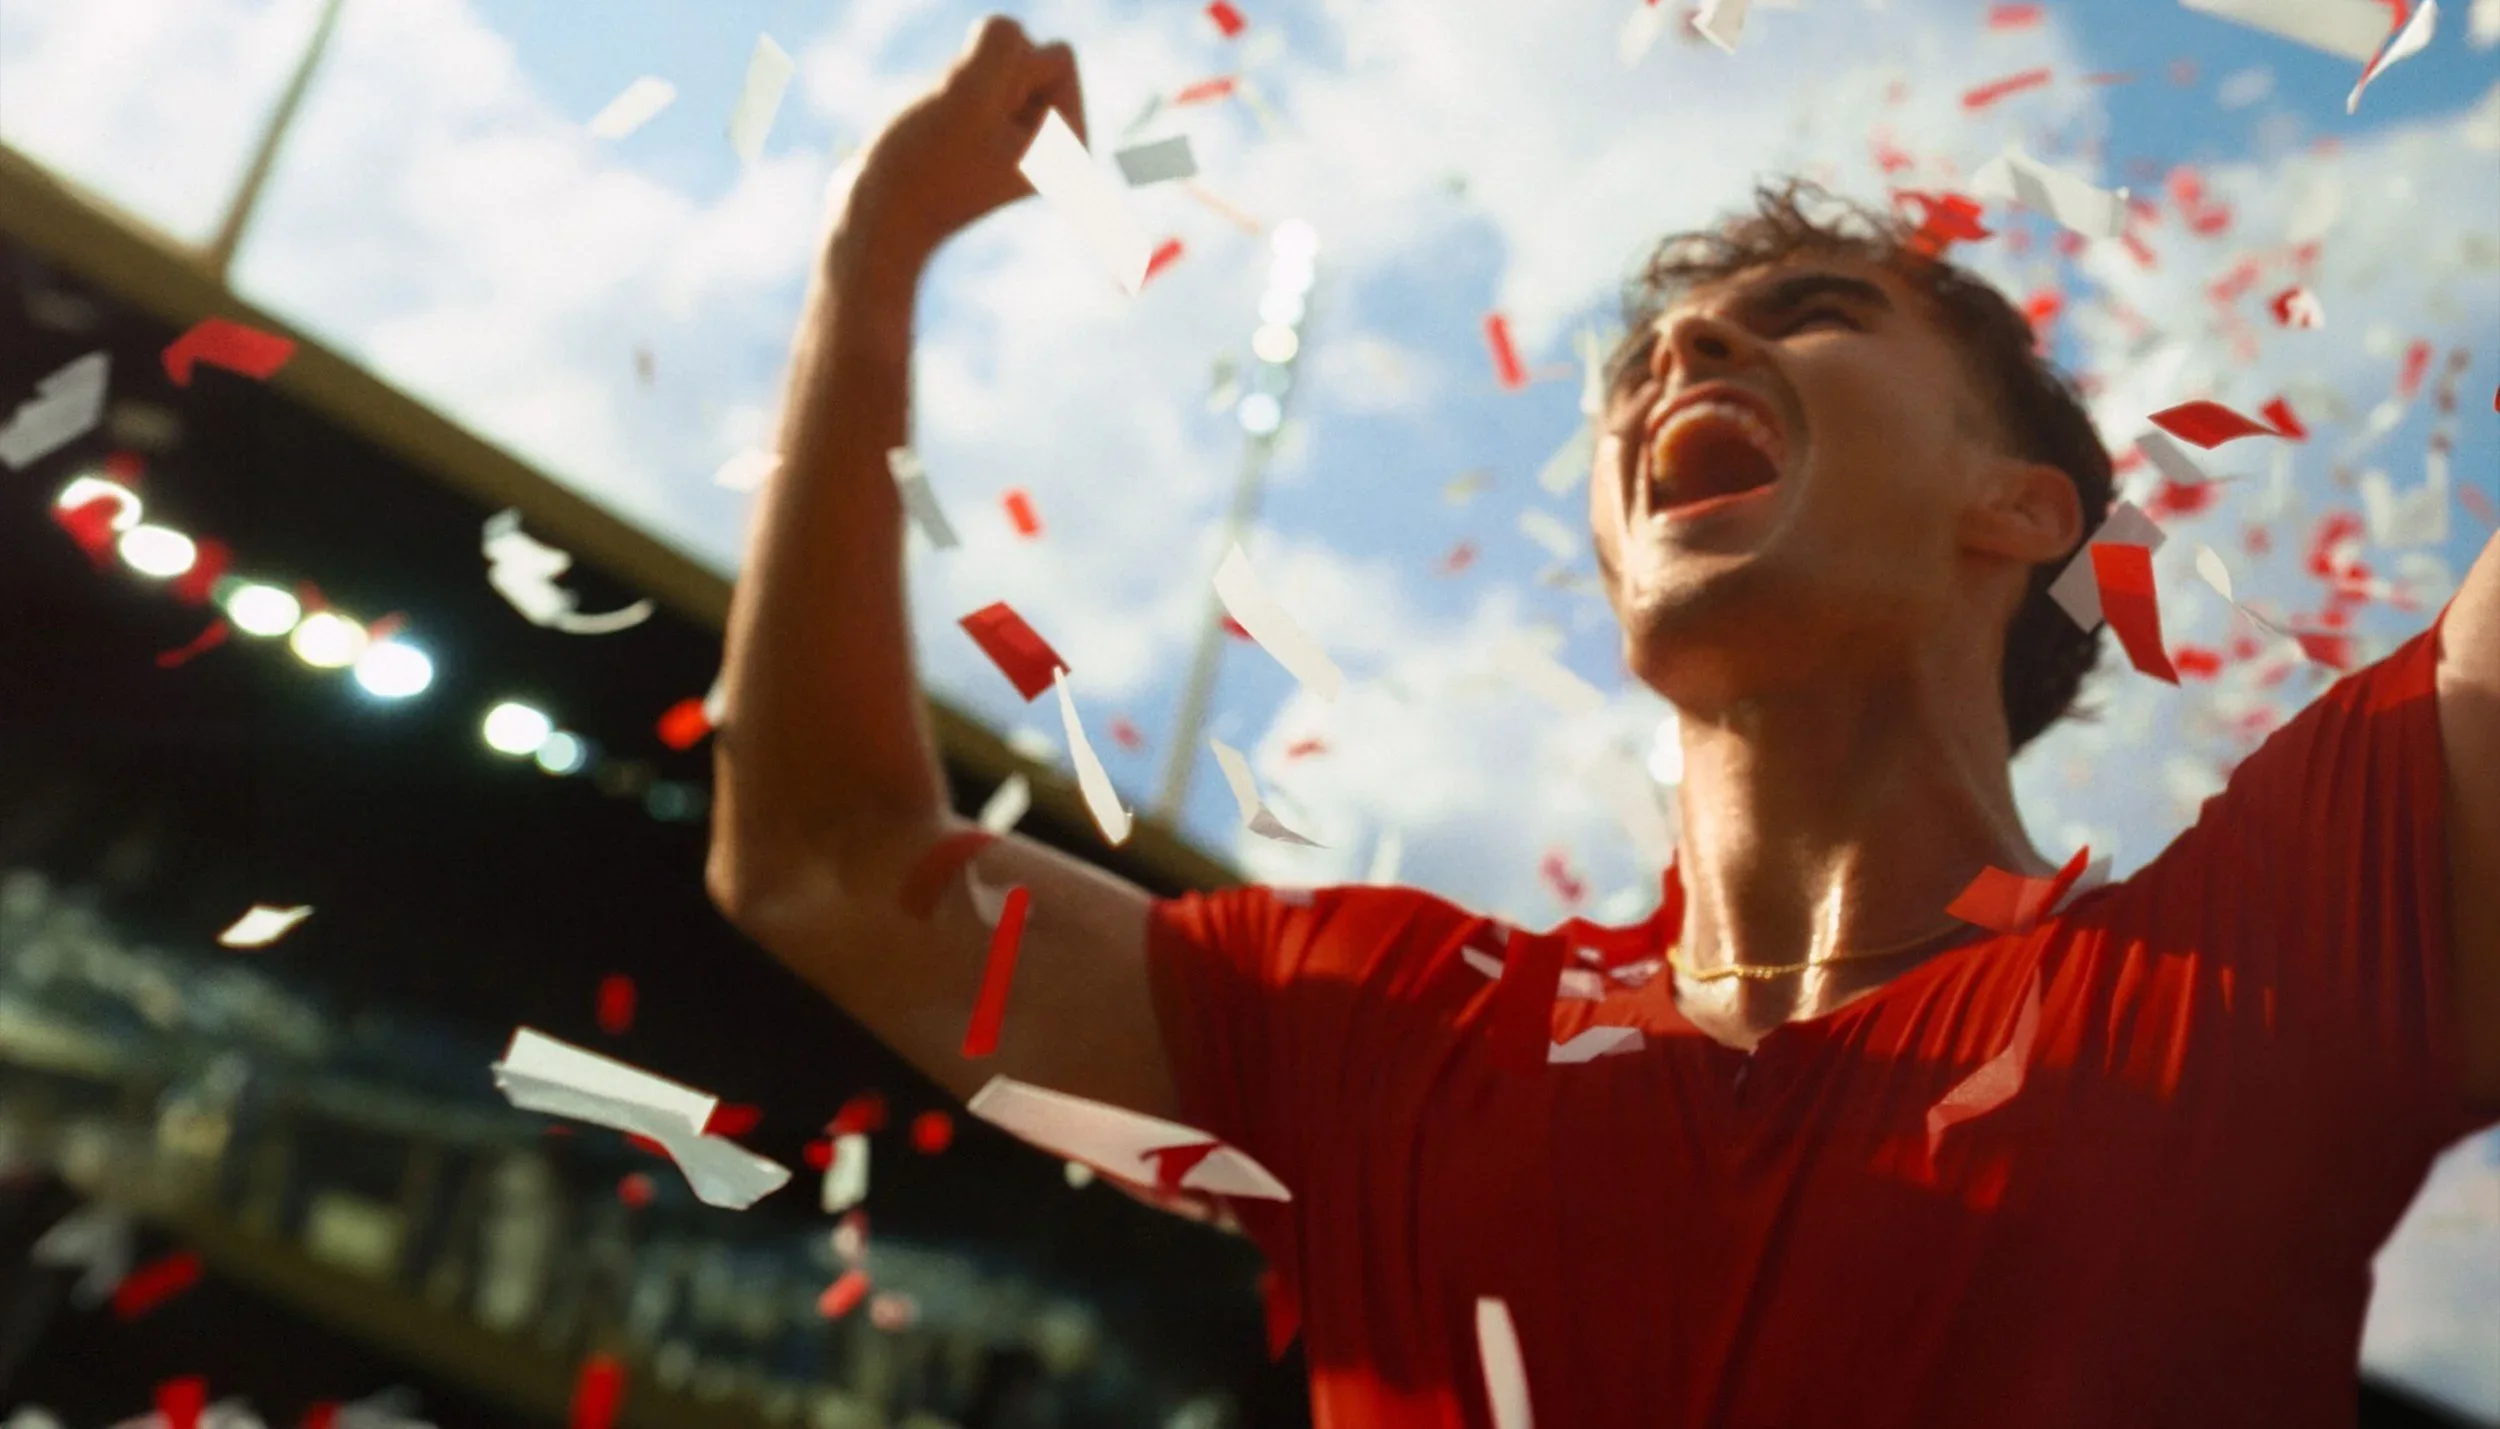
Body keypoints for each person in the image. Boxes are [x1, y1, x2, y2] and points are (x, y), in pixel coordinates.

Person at [706, 16, 2500, 1426]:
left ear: (2024, 510)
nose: (1687, 363)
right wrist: (870, 269)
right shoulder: (1378, 1037)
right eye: (1651, 360)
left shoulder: (2281, 955)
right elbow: (828, 863)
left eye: (1806, 321)